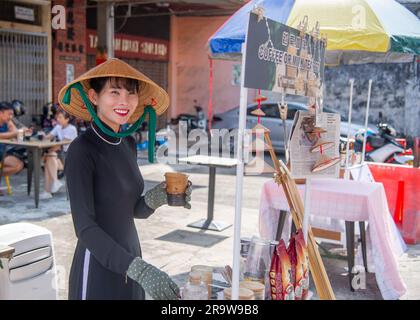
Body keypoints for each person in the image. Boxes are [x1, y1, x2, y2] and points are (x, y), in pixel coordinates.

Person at [58, 58, 192, 300]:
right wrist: (137, 269)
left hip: (130, 256)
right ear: (93, 96)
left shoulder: (127, 143)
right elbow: (85, 229)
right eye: (114, 92)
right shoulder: (82, 150)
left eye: (131, 93)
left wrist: (158, 196)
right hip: (98, 264)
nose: (124, 101)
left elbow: (131, 209)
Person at [39, 109, 78, 199]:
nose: (58, 119)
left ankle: (48, 190)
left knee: (50, 157)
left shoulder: (72, 129)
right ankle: (54, 183)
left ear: (67, 119)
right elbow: (48, 137)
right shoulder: (58, 127)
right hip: (61, 157)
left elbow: (60, 145)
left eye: (60, 117)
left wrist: (49, 150)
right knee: (50, 158)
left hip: (71, 158)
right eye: (57, 117)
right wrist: (42, 135)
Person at [0, 102, 31, 178]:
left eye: (12, 114)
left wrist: (25, 133)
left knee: (19, 165)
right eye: (9, 114)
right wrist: (17, 132)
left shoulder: (8, 122)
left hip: (3, 153)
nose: (11, 117)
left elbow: (18, 137)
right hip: (2, 153)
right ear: (1, 113)